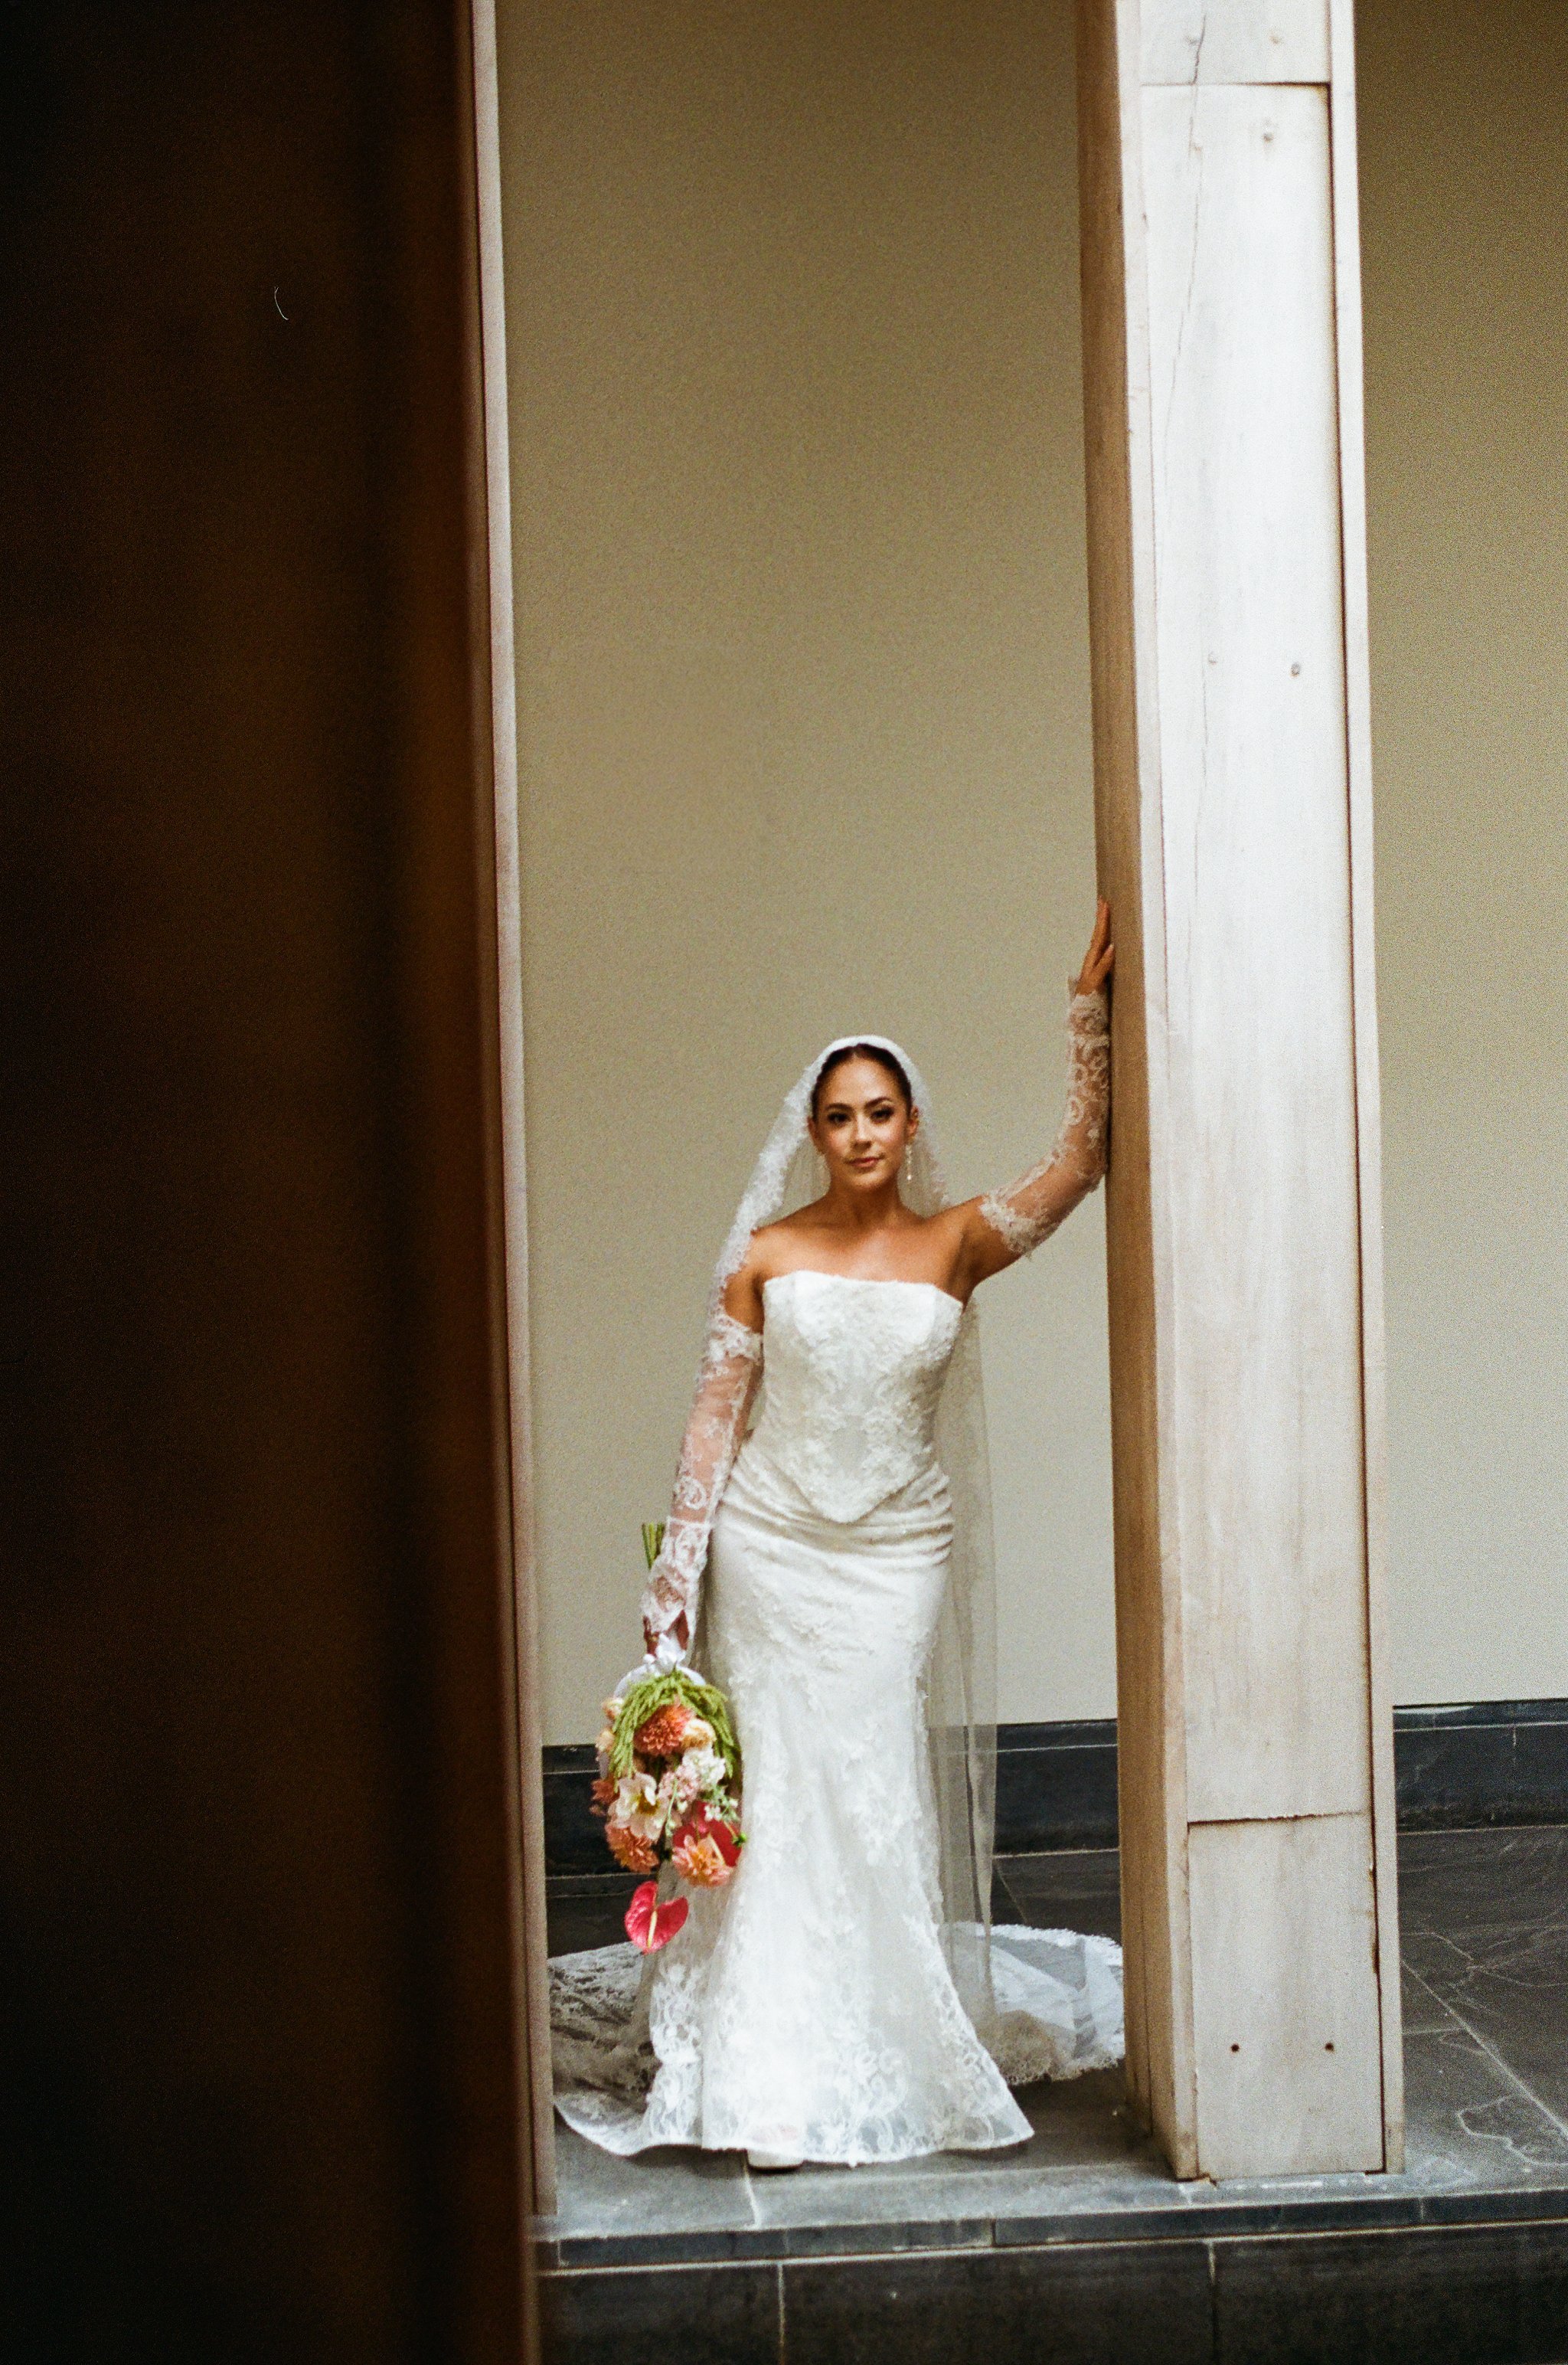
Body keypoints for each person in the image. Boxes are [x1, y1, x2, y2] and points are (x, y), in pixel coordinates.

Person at [550, 905, 1122, 2169]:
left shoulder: (959, 1240)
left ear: (910, 1124)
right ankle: (763, 2067)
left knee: (869, 1785)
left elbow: (1082, 1164)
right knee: (788, 1797)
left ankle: (887, 2034)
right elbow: (716, 1420)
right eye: (839, 1115)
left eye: (881, 1111)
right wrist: (675, 1581)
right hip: (772, 1544)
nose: (861, 1133)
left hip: (893, 1556)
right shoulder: (765, 1253)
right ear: (812, 1132)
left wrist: (1087, 1020)